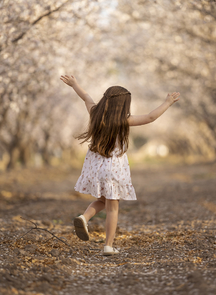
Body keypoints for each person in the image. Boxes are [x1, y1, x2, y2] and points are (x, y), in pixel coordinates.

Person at [60, 75, 180, 255]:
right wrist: (168, 102)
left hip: (95, 167)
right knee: (112, 208)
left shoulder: (95, 113)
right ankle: (108, 245)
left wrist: (74, 84)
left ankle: (84, 218)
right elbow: (150, 117)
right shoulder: (124, 120)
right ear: (124, 105)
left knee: (102, 200)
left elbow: (86, 97)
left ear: (105, 99)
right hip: (114, 168)